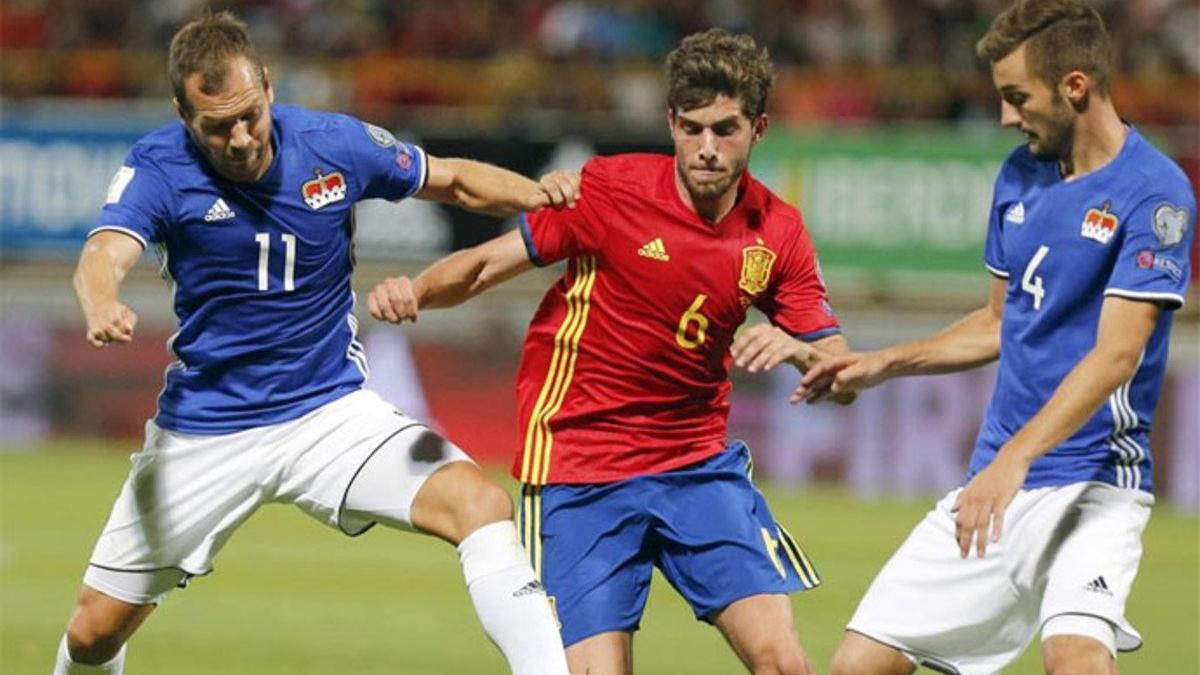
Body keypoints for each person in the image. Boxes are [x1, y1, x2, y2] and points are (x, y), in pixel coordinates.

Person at [55, 11, 576, 675]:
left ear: (269, 86)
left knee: (480, 502)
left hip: (330, 411)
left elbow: (451, 178)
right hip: (207, 430)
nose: (241, 138)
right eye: (218, 126)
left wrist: (543, 196)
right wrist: (101, 301)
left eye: (250, 114)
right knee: (93, 634)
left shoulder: (333, 143)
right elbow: (105, 250)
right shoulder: (158, 166)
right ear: (184, 116)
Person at [369, 28, 852, 675]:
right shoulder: (610, 191)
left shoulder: (779, 233)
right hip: (580, 466)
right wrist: (417, 291)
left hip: (696, 465)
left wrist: (799, 348)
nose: (707, 147)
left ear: (759, 128)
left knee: (784, 661)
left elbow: (843, 374)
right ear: (671, 122)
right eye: (693, 127)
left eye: (727, 129)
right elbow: (488, 264)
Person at [796, 2, 1195, 674]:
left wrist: (1014, 459)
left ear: (1075, 86)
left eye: (1017, 97)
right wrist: (882, 364)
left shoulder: (1155, 193)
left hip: (1094, 482)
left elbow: (1118, 353)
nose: (1007, 117)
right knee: (858, 664)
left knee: (1075, 656)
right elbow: (995, 323)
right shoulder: (1019, 175)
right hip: (997, 477)